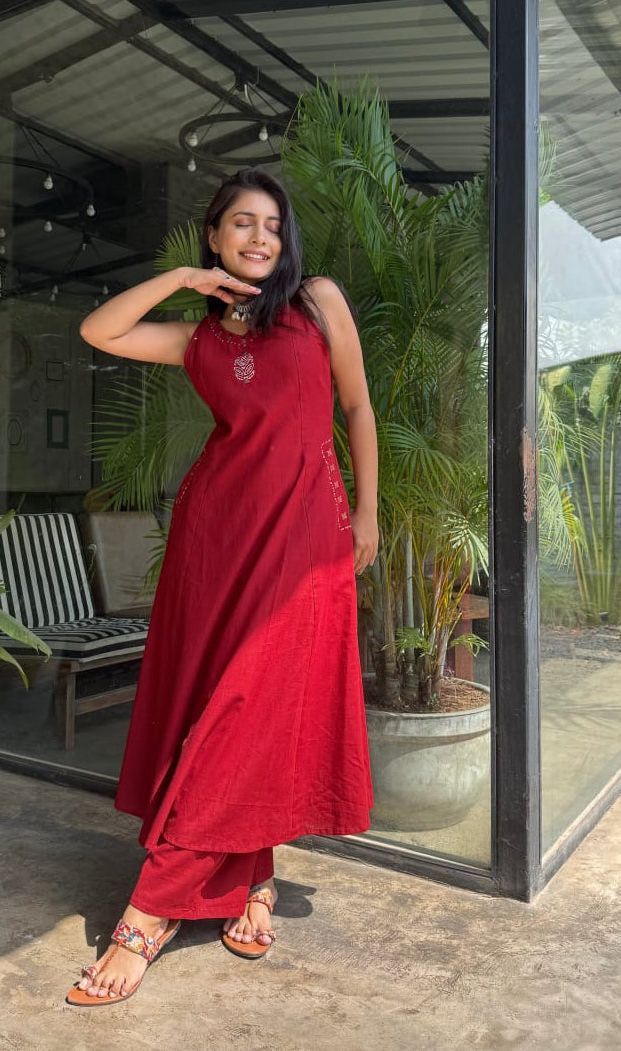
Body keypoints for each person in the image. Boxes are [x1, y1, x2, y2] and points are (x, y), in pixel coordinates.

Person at [66, 168, 378, 1006]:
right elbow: (99, 330)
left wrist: (369, 515)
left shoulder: (316, 302)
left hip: (305, 533)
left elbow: (356, 407)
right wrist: (179, 281)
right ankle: (254, 878)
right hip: (216, 536)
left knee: (251, 703)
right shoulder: (197, 334)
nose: (259, 238)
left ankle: (150, 911)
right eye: (241, 223)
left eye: (271, 224)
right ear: (213, 237)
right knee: (223, 706)